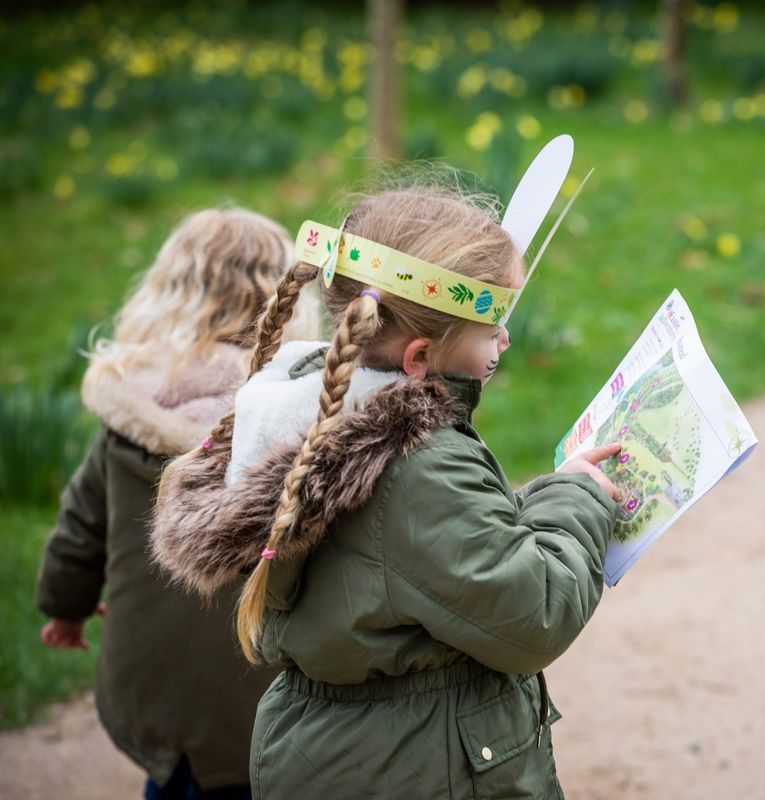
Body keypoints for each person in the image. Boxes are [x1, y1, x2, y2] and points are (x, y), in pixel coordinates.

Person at [150, 184, 622, 799]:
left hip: (334, 754)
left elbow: (426, 556)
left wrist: (533, 502)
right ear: (420, 357)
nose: (504, 342)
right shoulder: (416, 465)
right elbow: (532, 615)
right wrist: (576, 500)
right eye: (492, 329)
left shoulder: (309, 408)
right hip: (418, 768)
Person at [37, 207, 320, 800]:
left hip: (151, 678)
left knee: (173, 783)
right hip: (258, 688)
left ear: (167, 291)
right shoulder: (290, 414)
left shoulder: (132, 411)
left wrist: (64, 609)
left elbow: (80, 530)